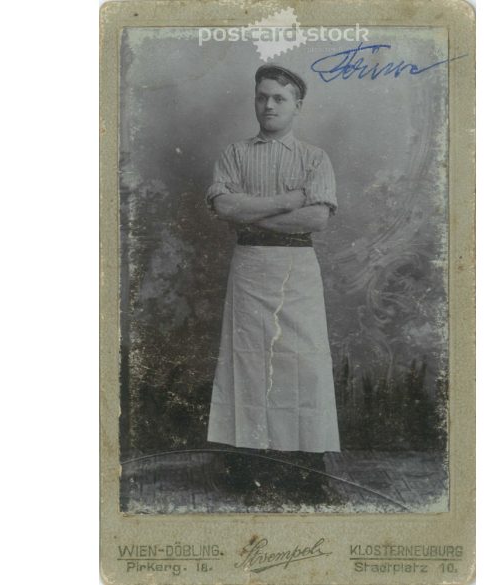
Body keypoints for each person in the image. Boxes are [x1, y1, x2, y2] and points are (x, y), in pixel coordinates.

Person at [205, 64, 340, 504]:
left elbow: (317, 217)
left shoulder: (314, 158)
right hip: (249, 267)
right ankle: (250, 465)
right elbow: (224, 207)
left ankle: (306, 468)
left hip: (296, 270)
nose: (268, 105)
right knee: (249, 363)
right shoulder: (235, 154)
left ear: (297, 106)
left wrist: (252, 210)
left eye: (279, 99)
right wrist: (286, 201)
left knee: (302, 366)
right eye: (262, 97)